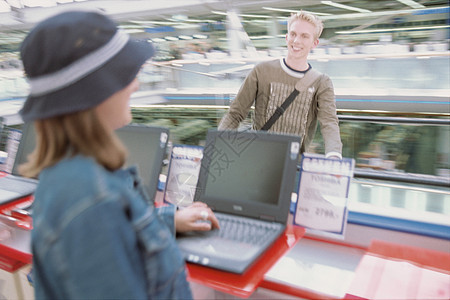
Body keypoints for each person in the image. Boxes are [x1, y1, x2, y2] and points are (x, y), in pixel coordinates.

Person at [18, 11, 218, 299]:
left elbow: (110, 240)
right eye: (125, 74)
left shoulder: (69, 176)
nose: (135, 84)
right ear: (95, 91)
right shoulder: (91, 201)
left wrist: (167, 220)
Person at [219, 11, 342, 159]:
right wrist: (218, 147)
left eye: (304, 36)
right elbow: (235, 113)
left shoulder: (322, 82)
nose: (296, 40)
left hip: (293, 164)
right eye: (293, 34)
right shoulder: (262, 71)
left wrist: (334, 156)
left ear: (314, 43)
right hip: (257, 159)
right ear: (286, 37)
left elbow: (329, 122)